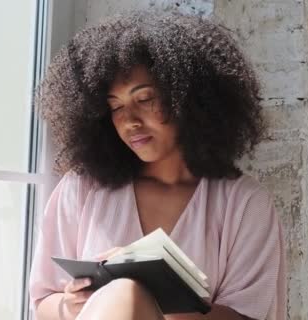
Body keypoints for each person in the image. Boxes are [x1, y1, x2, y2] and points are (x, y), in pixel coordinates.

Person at [28, 11, 285, 320]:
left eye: (145, 99)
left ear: (187, 98)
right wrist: (69, 305)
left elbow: (249, 315)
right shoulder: (81, 188)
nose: (130, 121)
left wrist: (144, 296)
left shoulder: (244, 203)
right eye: (116, 106)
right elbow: (43, 301)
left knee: (126, 292)